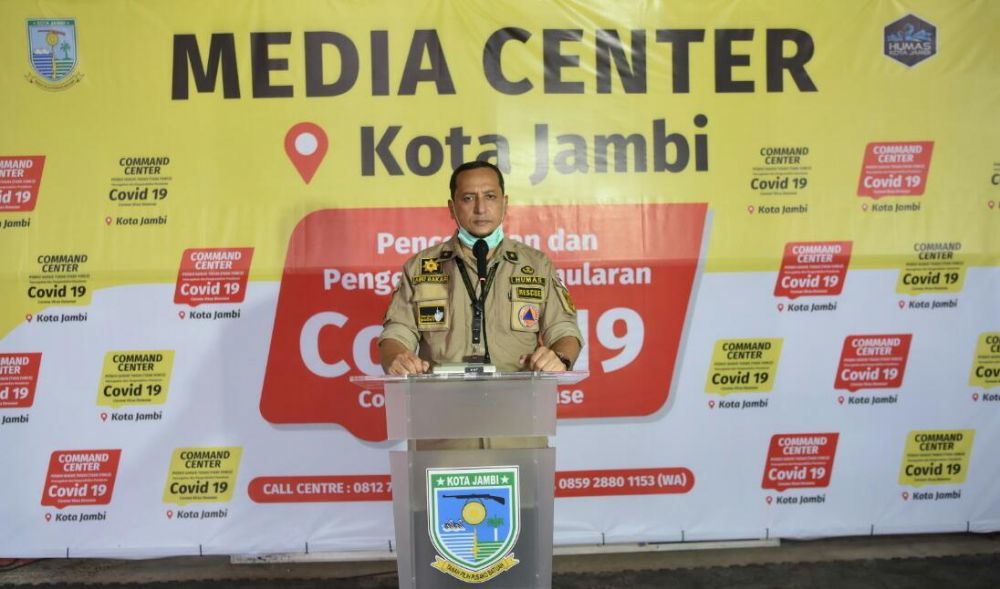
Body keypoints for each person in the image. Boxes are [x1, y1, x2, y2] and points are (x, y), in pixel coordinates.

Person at [378, 160, 582, 376]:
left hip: (517, 392)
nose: (480, 208)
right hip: (442, 392)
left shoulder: (536, 264)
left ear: (505, 203)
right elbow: (397, 332)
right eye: (468, 198)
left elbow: (563, 329)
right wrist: (396, 358)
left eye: (490, 196)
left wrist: (559, 357)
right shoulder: (420, 267)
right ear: (452, 208)